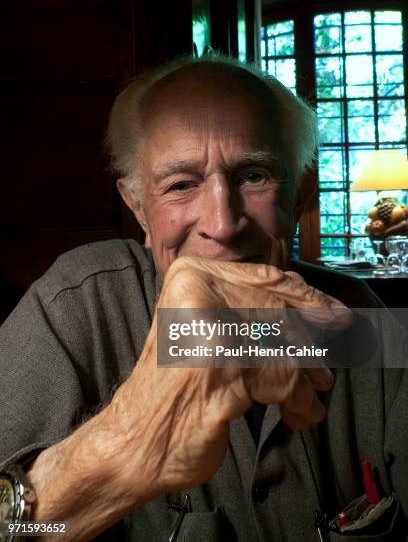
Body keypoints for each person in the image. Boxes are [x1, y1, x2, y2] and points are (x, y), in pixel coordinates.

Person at [0, 55, 407, 542]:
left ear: (299, 196)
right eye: (180, 185)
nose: (222, 224)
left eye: (253, 175)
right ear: (138, 209)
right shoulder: (75, 307)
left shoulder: (357, 318)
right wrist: (113, 451)